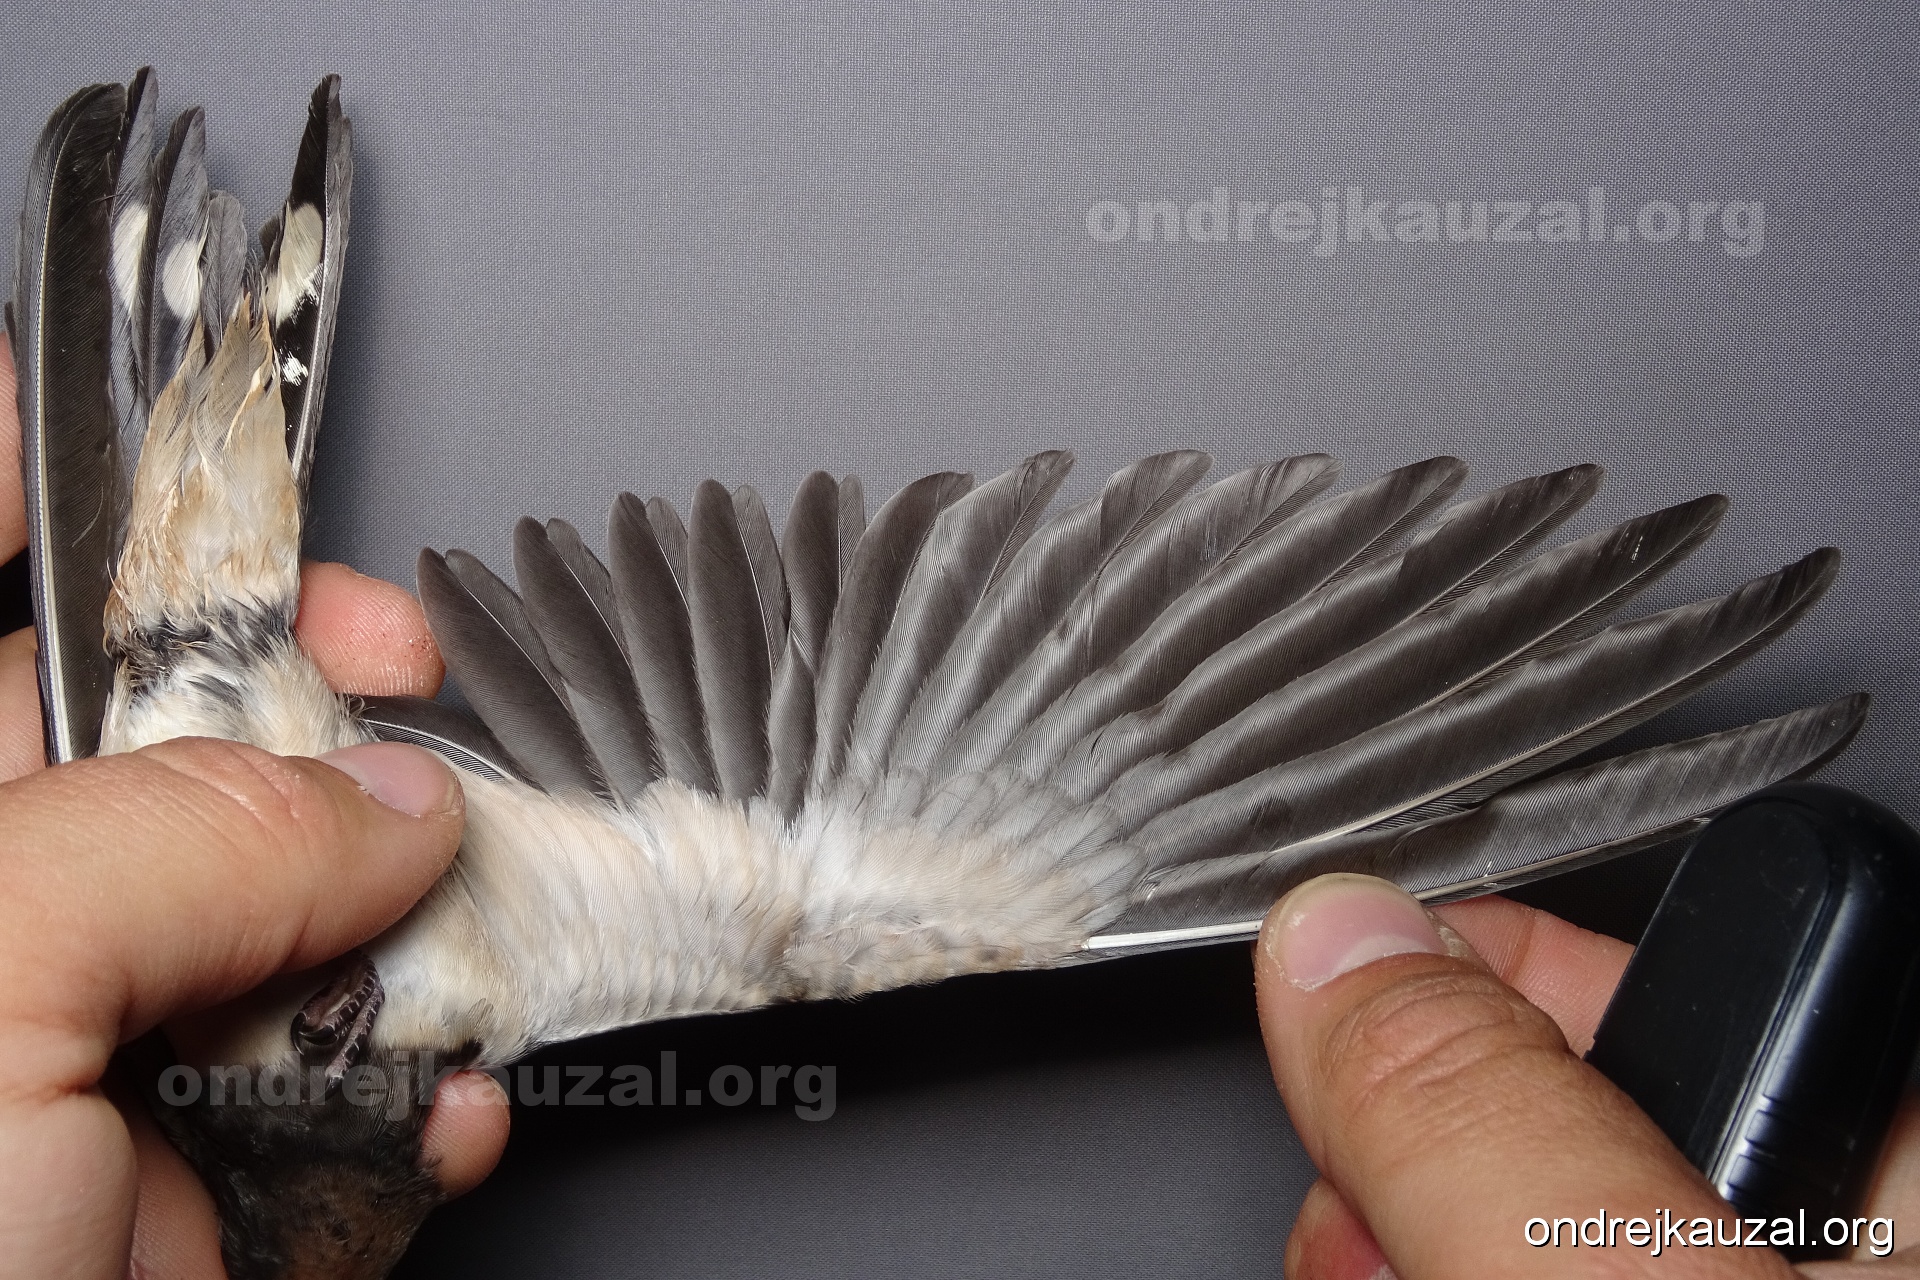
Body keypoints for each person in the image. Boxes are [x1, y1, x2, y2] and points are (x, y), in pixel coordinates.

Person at [0, 336, 1910, 1277]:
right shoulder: (390, 1051)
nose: (423, 1104)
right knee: (948, 895)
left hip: (167, 671)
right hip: (193, 675)